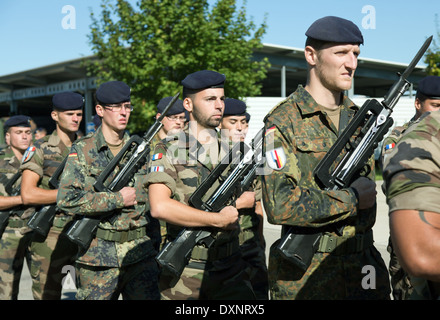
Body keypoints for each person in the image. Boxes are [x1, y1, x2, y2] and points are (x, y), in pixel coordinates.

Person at [261, 16, 391, 299]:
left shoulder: (362, 120)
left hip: (364, 270)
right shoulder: (281, 123)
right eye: (341, 53)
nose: (352, 64)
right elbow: (279, 204)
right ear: (311, 55)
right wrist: (352, 199)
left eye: (356, 54)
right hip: (307, 277)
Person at [147, 70, 256, 300]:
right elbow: (160, 207)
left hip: (231, 266)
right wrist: (217, 219)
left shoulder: (234, 149)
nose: (219, 106)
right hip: (187, 270)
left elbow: (253, 195)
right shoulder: (168, 148)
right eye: (209, 99)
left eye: (221, 99)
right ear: (188, 103)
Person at [57, 81, 160, 300]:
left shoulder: (140, 150)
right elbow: (66, 199)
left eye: (127, 106)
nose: (124, 112)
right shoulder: (83, 150)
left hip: (140, 254)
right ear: (100, 110)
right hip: (98, 260)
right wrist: (116, 199)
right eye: (116, 107)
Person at [20, 91, 84, 300]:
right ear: (55, 116)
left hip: (84, 234)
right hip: (50, 236)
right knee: (48, 295)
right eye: (69, 114)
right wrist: (69, 196)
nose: (75, 119)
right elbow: (28, 194)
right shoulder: (40, 148)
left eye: (79, 114)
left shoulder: (89, 146)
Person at [381, 75, 440, 300]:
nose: (438, 113)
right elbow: (393, 183)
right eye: (434, 106)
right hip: (409, 245)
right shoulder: (398, 137)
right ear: (418, 103)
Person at [219, 98, 268, 299]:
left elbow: (258, 205)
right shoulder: (209, 157)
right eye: (233, 122)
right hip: (222, 247)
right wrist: (238, 203)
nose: (240, 128)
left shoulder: (251, 157)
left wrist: (260, 242)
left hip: (250, 244)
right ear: (219, 123)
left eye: (244, 122)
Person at [0, 115, 33, 299]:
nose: (24, 137)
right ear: (7, 137)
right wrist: (24, 198)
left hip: (36, 231)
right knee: (7, 292)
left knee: (43, 289)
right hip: (8, 235)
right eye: (18, 132)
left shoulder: (39, 160)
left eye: (28, 132)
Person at [151, 96, 186, 250]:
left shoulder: (187, 148)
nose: (178, 122)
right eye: (173, 118)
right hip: (152, 226)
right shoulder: (147, 148)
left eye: (182, 118)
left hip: (176, 225)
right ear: (160, 118)